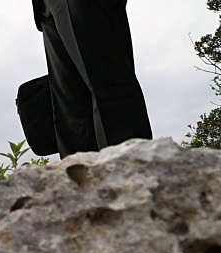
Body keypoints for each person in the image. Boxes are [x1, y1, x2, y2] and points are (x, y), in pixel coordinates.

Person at [32, 0, 152, 158]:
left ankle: (132, 170)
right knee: (72, 109)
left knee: (109, 88)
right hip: (45, 6)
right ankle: (83, 179)